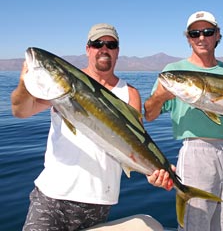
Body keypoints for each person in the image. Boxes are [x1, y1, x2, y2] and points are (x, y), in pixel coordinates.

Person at [11, 23, 173, 231]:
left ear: (117, 51)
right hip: (51, 198)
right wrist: (25, 83)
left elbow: (136, 147)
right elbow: (20, 110)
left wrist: (156, 172)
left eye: (110, 44)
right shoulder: (60, 88)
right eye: (97, 44)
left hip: (99, 203)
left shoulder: (129, 93)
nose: (104, 49)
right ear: (88, 49)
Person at [144, 11, 223, 231]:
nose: (201, 37)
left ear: (217, 35)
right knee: (196, 223)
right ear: (188, 38)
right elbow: (149, 115)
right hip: (196, 152)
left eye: (208, 32)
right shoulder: (173, 73)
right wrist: (160, 96)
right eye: (195, 33)